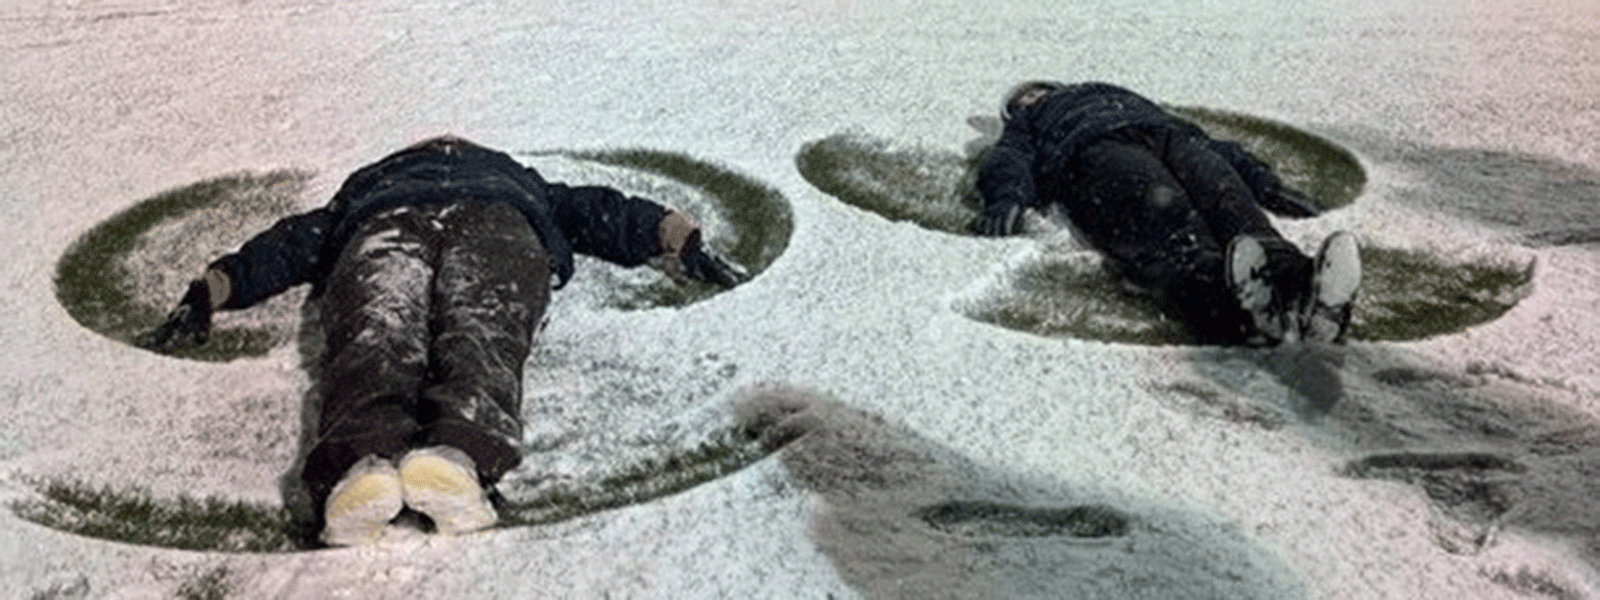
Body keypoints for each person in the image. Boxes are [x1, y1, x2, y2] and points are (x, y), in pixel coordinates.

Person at [136, 136, 747, 546]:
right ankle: (458, 456)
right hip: (494, 220)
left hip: (386, 226)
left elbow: (294, 242)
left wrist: (212, 288)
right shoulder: (515, 177)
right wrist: (678, 236)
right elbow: (598, 211)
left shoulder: (369, 185)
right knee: (484, 327)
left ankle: (361, 465)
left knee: (376, 327)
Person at [970, 81, 1360, 346]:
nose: (1031, 97)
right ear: (1015, 111)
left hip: (1170, 136)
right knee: (1172, 225)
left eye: (1036, 90)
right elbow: (1009, 158)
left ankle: (1303, 287)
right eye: (1022, 98)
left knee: (1233, 205)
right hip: (1093, 151)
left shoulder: (1118, 94)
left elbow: (1215, 145)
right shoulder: (1031, 121)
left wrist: (1263, 184)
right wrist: (1006, 198)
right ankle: (1233, 307)